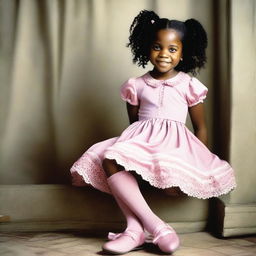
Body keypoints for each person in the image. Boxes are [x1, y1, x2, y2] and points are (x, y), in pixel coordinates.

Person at [70, 10, 236, 255]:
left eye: (172, 49)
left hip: (174, 144)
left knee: (112, 159)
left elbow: (200, 127)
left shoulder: (189, 85)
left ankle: (136, 231)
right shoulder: (135, 85)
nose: (164, 54)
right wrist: (133, 156)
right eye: (158, 47)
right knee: (109, 159)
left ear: (183, 53)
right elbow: (134, 124)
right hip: (141, 138)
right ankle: (152, 227)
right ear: (147, 48)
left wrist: (197, 162)